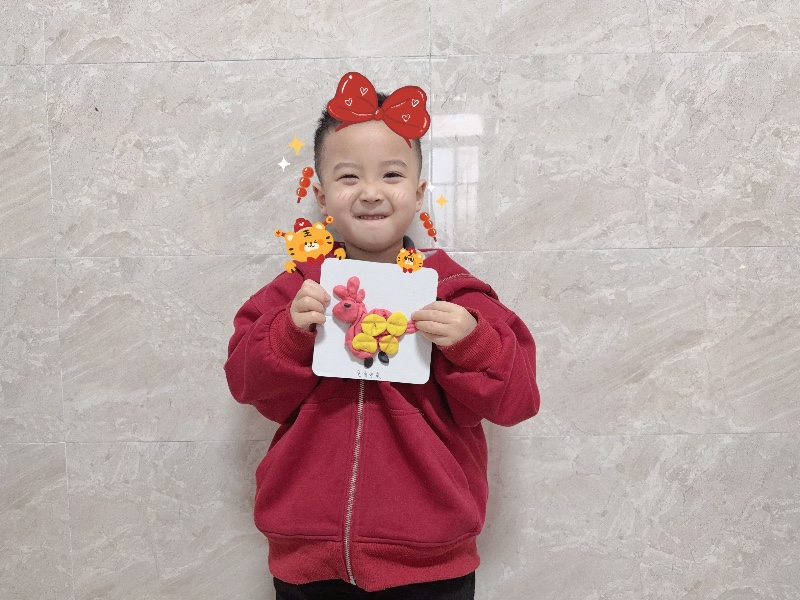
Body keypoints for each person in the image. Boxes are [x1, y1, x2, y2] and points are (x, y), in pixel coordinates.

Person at [224, 72, 540, 600]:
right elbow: (246, 383)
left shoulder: (456, 293)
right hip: (308, 562)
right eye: (349, 177)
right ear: (322, 196)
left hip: (432, 565)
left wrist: (472, 341)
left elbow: (518, 398)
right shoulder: (298, 290)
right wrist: (288, 334)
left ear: (418, 193)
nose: (371, 192)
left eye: (391, 174)